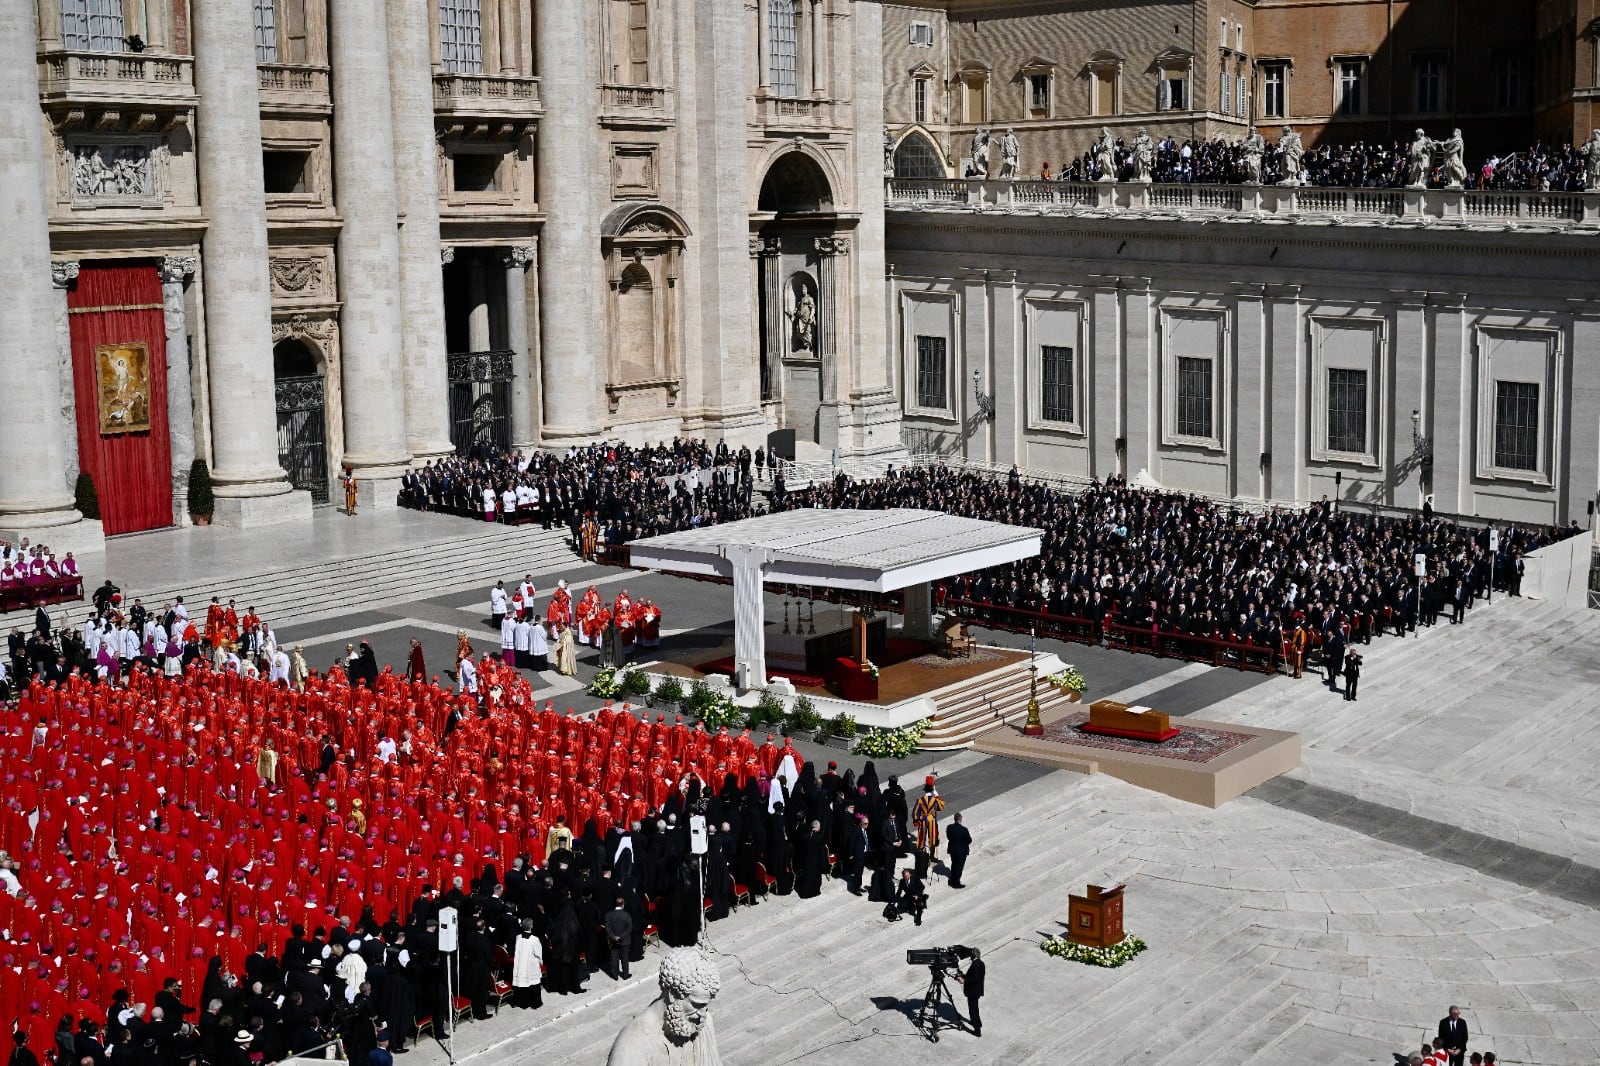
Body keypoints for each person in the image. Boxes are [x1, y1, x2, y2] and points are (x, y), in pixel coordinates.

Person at [603, 897, 634, 981]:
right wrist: (621, 937)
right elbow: (630, 928)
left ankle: (615, 975)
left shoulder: (608, 915)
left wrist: (614, 937)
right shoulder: (626, 915)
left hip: (613, 941)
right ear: (623, 904)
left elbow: (607, 928)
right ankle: (625, 975)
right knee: (625, 958)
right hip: (625, 941)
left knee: (614, 958)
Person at [956, 947, 984, 1038]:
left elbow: (975, 978)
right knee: (974, 1009)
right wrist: (963, 976)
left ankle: (977, 1030)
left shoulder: (976, 964)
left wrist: (964, 981)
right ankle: (975, 1022)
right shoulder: (980, 963)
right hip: (976, 991)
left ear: (973, 955)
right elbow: (973, 976)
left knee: (973, 1010)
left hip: (973, 992)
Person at [945, 812, 971, 888]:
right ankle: (956, 883)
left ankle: (952, 881)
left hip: (952, 850)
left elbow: (948, 837)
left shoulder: (949, 827)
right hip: (961, 852)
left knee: (953, 865)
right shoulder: (964, 830)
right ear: (960, 819)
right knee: (959, 868)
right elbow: (969, 840)